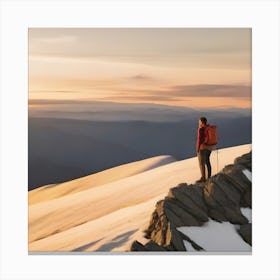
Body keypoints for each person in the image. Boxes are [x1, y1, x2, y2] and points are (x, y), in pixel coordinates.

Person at [196, 117, 212, 183]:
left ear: (201, 122)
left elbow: (199, 139)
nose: (198, 123)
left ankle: (203, 178)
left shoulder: (201, 129)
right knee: (207, 161)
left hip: (202, 148)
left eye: (199, 122)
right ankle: (209, 177)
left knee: (201, 163)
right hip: (209, 147)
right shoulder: (209, 128)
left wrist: (197, 148)